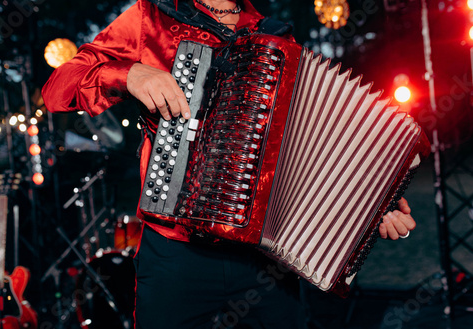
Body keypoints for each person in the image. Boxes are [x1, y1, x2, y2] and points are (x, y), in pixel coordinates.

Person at [42, 1, 417, 328]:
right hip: (175, 253)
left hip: (263, 262)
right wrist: (128, 74)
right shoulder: (150, 18)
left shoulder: (274, 38)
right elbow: (57, 89)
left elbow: (305, 158)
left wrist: (367, 208)